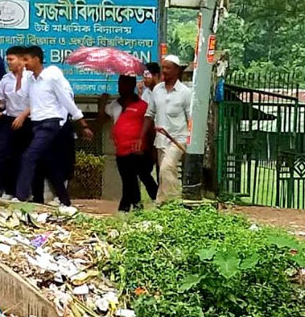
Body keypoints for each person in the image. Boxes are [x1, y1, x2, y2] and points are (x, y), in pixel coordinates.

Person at [16, 46, 92, 206]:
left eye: (26, 59)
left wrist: (82, 122)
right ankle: (65, 202)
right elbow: (23, 97)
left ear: (36, 59)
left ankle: (21, 197)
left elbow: (66, 100)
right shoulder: (31, 79)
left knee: (28, 156)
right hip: (37, 124)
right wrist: (20, 76)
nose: (24, 63)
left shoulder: (51, 77)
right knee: (47, 165)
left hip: (50, 124)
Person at [98, 75, 157, 211]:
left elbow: (149, 127)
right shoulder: (114, 105)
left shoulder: (142, 105)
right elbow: (102, 119)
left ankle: (149, 201)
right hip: (121, 150)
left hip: (138, 150)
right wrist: (102, 103)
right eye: (119, 84)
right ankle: (135, 205)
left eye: (124, 84)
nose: (120, 87)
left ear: (131, 86)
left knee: (142, 177)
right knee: (128, 179)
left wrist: (150, 149)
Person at [141, 55, 192, 204]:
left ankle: (175, 200)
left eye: (168, 68)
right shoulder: (157, 90)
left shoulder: (185, 92)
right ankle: (162, 204)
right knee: (163, 173)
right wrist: (141, 137)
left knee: (166, 168)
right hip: (161, 139)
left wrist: (190, 139)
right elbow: (149, 115)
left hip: (178, 139)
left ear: (177, 71)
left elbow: (190, 118)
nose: (165, 71)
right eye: (163, 67)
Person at [0, 46, 33, 198]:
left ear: (22, 60)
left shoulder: (32, 78)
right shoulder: (6, 79)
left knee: (22, 156)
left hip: (27, 120)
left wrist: (22, 117)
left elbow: (36, 101)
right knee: (1, 152)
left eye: (11, 59)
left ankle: (20, 192)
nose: (9, 62)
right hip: (8, 120)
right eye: (7, 59)